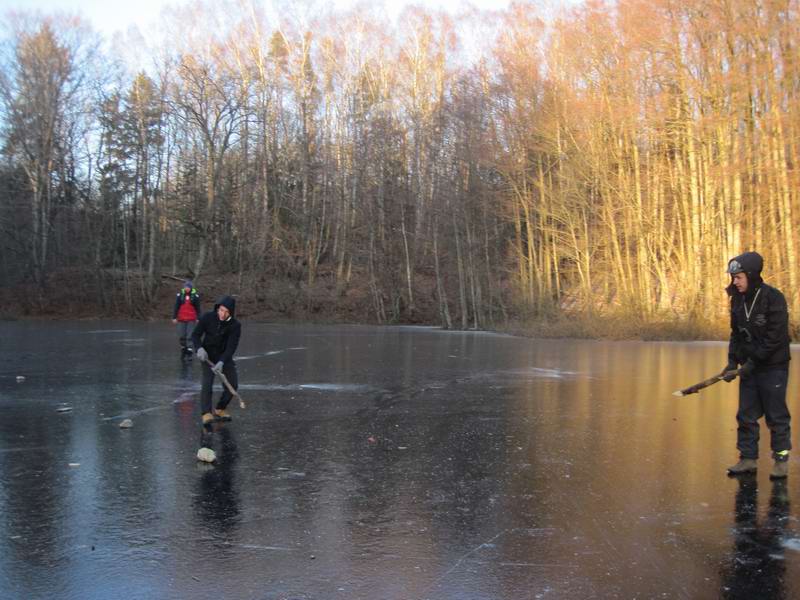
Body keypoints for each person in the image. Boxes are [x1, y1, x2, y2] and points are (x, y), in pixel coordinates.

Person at [722, 252, 791, 478]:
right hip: (749, 366)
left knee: (776, 415)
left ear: (751, 275)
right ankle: (748, 459)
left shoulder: (773, 298)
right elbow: (736, 334)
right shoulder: (737, 299)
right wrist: (732, 361)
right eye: (733, 277)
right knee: (746, 414)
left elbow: (776, 337)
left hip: (773, 367)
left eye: (739, 277)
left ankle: (780, 460)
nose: (735, 282)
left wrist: (754, 362)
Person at [192, 295, 241, 426]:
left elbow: (231, 347)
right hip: (207, 356)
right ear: (217, 308)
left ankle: (220, 408)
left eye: (226, 312)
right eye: (221, 310)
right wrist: (199, 349)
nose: (222, 314)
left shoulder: (235, 325)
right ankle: (206, 413)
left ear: (230, 312)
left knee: (233, 384)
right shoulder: (208, 317)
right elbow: (195, 335)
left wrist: (222, 362)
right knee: (207, 384)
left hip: (224, 357)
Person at [172, 280, 201, 357]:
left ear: (191, 288)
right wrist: (174, 317)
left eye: (188, 287)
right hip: (181, 319)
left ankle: (190, 351)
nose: (186, 288)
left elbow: (198, 308)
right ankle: (183, 349)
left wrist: (199, 318)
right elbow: (176, 307)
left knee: (190, 335)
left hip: (191, 319)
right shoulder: (180, 296)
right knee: (182, 335)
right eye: (185, 287)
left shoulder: (195, 296)